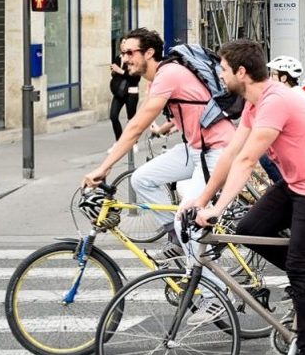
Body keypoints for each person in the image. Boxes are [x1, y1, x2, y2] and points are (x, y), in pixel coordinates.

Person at [185, 39, 305, 355]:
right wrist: (201, 199)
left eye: (224, 68)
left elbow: (247, 160)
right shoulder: (254, 101)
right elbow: (232, 152)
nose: (220, 73)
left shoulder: (275, 101)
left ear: (241, 72)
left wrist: (217, 208)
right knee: (250, 229)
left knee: (298, 268)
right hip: (296, 183)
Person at [82, 28, 235, 233]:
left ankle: (192, 249)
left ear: (149, 53)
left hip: (216, 150)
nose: (124, 58)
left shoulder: (168, 74)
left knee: (189, 221)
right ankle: (175, 234)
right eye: (123, 53)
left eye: (130, 53)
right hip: (195, 148)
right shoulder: (157, 80)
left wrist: (104, 167)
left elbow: (136, 126)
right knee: (141, 179)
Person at [260, 55, 304, 183]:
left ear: (283, 78)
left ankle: (288, 192)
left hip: (298, 153)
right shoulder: (296, 92)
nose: (270, 78)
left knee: (265, 158)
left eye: (273, 75)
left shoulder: (291, 97)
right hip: (295, 149)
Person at [108, 38, 140, 141]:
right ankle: (119, 141)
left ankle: (133, 142)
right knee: (113, 116)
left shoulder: (134, 59)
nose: (124, 45)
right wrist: (114, 71)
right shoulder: (118, 58)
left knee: (131, 119)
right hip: (119, 92)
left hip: (131, 92)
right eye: (122, 43)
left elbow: (135, 78)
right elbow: (116, 76)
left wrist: (120, 71)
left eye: (126, 43)